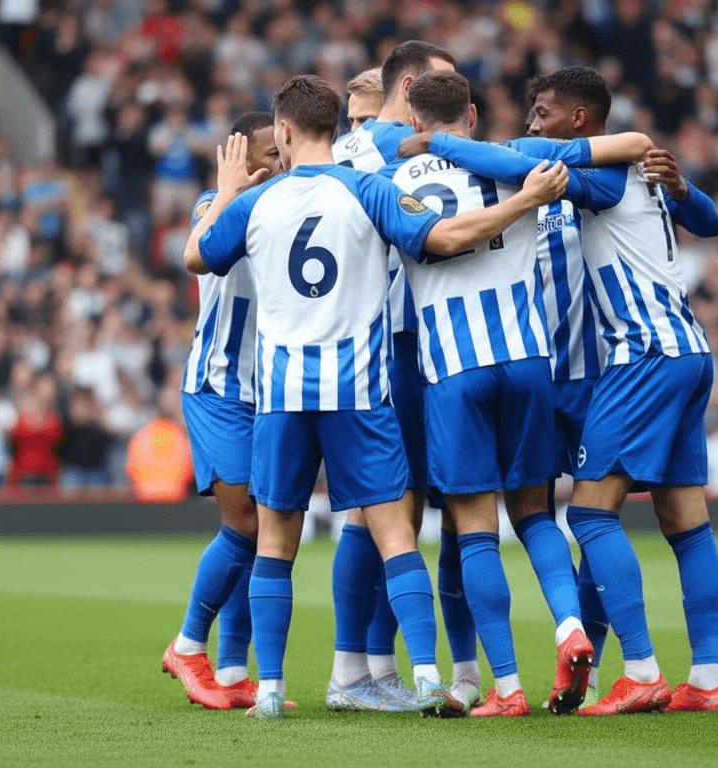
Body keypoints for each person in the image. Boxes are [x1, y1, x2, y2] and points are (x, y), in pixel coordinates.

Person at [184, 74, 569, 719]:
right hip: (359, 391)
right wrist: (520, 203)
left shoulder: (259, 200)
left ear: (281, 132)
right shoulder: (370, 188)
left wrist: (225, 192)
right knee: (397, 535)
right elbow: (443, 238)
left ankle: (271, 692)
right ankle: (423, 678)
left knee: (276, 542)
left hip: (281, 395)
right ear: (338, 128)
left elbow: (197, 257)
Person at [412, 64, 718, 714]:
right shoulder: (634, 171)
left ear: (579, 118)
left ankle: (637, 671)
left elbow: (517, 158)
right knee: (682, 520)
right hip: (682, 350)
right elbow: (710, 219)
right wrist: (685, 187)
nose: (532, 122)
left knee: (585, 514)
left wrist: (430, 141)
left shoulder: (602, 173)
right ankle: (706, 677)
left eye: (543, 111)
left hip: (630, 359)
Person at [385, 69, 652, 717]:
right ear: (473, 116)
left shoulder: (390, 183)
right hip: (529, 361)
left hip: (455, 368)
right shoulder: (518, 159)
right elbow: (626, 146)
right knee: (536, 514)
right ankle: (570, 627)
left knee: (475, 527)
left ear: (413, 122)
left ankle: (505, 687)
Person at [324, 40, 457, 714]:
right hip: (393, 345)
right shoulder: (379, 143)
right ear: (409, 89)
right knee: (385, 508)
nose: (450, 103)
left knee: (384, 509)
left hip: (378, 346)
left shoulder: (358, 147)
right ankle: (359, 670)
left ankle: (369, 668)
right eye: (441, 88)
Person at [162, 112, 283, 712]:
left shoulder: (295, 202)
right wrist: (238, 184)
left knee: (257, 532)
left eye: (280, 151)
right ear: (236, 158)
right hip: (219, 388)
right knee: (249, 524)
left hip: (271, 394)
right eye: (262, 154)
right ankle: (187, 645)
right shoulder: (215, 203)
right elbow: (205, 251)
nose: (275, 162)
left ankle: (235, 670)